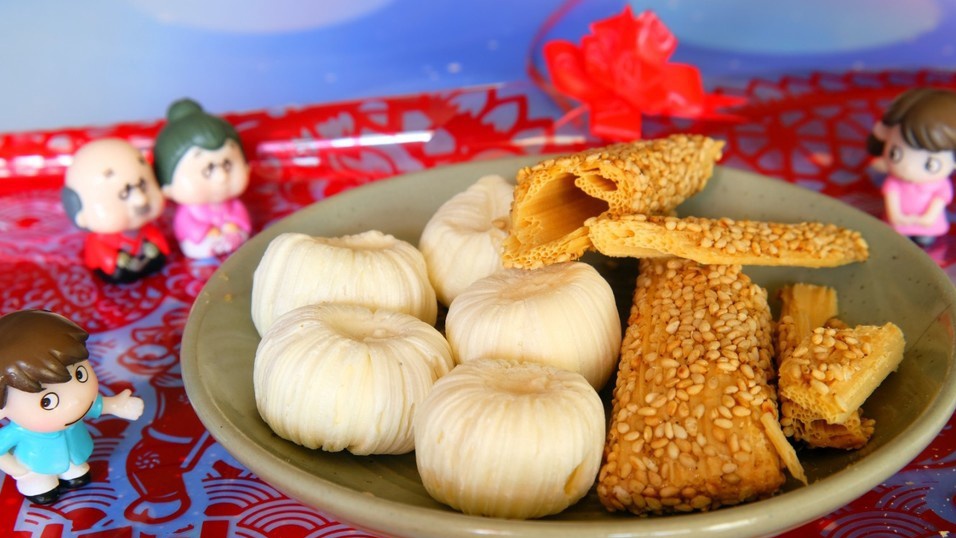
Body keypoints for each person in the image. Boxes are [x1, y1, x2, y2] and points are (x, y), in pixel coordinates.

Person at [0, 310, 144, 505]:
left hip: (75, 454)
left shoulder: (78, 407)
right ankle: (39, 483)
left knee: (78, 472)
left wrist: (116, 405)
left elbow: (95, 405)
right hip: (37, 465)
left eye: (80, 375)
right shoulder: (19, 431)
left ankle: (70, 474)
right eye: (47, 401)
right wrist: (20, 471)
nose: (75, 400)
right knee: (42, 486)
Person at [153, 98, 252, 259]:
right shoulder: (189, 211)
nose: (221, 177)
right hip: (203, 243)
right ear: (168, 186)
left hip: (234, 243)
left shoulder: (233, 203)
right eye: (208, 170)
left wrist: (234, 225)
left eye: (227, 165)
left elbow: (240, 216)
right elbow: (186, 225)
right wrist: (207, 231)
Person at [62, 138, 170, 283]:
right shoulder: (99, 240)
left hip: (143, 259)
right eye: (123, 195)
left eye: (143, 186)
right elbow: (102, 253)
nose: (141, 200)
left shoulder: (147, 228)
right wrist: (118, 259)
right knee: (119, 274)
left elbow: (156, 239)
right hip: (121, 266)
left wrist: (153, 248)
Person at [867, 88, 956, 247]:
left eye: (930, 164)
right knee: (898, 244)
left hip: (926, 224)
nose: (908, 167)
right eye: (895, 153)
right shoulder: (893, 182)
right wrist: (897, 217)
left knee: (926, 243)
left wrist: (927, 218)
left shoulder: (941, 185)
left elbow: (938, 203)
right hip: (898, 224)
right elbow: (892, 202)